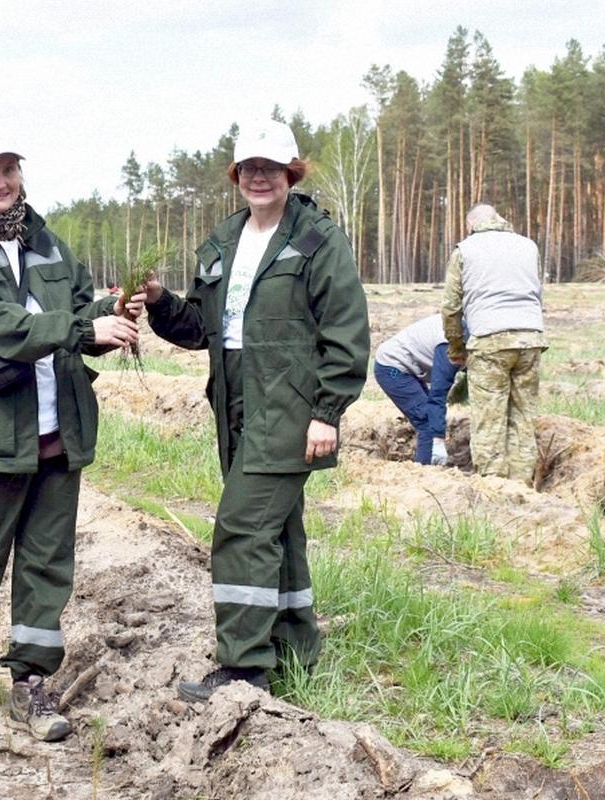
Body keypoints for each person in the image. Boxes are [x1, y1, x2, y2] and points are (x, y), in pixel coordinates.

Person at [134, 120, 370, 702]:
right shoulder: (224, 241)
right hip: (234, 402)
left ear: (293, 171)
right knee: (278, 529)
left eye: (272, 167)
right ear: (236, 176)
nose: (259, 176)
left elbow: (346, 331)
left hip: (288, 405)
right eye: (248, 168)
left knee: (242, 528)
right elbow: (203, 330)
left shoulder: (316, 240)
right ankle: (295, 649)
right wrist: (163, 303)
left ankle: (243, 668)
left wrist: (327, 411)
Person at [0, 137, 139, 742]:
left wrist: (114, 312)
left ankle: (32, 685)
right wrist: (80, 325)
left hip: (58, 428)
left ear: (21, 173)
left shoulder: (45, 241)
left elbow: (76, 312)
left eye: (8, 169)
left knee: (48, 564)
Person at [441, 203, 545, 481]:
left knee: (490, 420)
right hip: (530, 337)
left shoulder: (465, 249)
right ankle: (522, 485)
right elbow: (537, 293)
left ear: (471, 224)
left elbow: (451, 307)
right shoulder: (528, 246)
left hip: (489, 340)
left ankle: (494, 489)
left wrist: (456, 349)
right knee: (523, 418)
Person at [373, 314, 461, 466]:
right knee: (427, 422)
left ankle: (426, 463)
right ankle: (425, 471)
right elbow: (438, 394)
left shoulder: (470, 327)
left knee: (431, 419)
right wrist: (438, 440)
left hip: (411, 367)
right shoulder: (449, 344)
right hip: (392, 366)